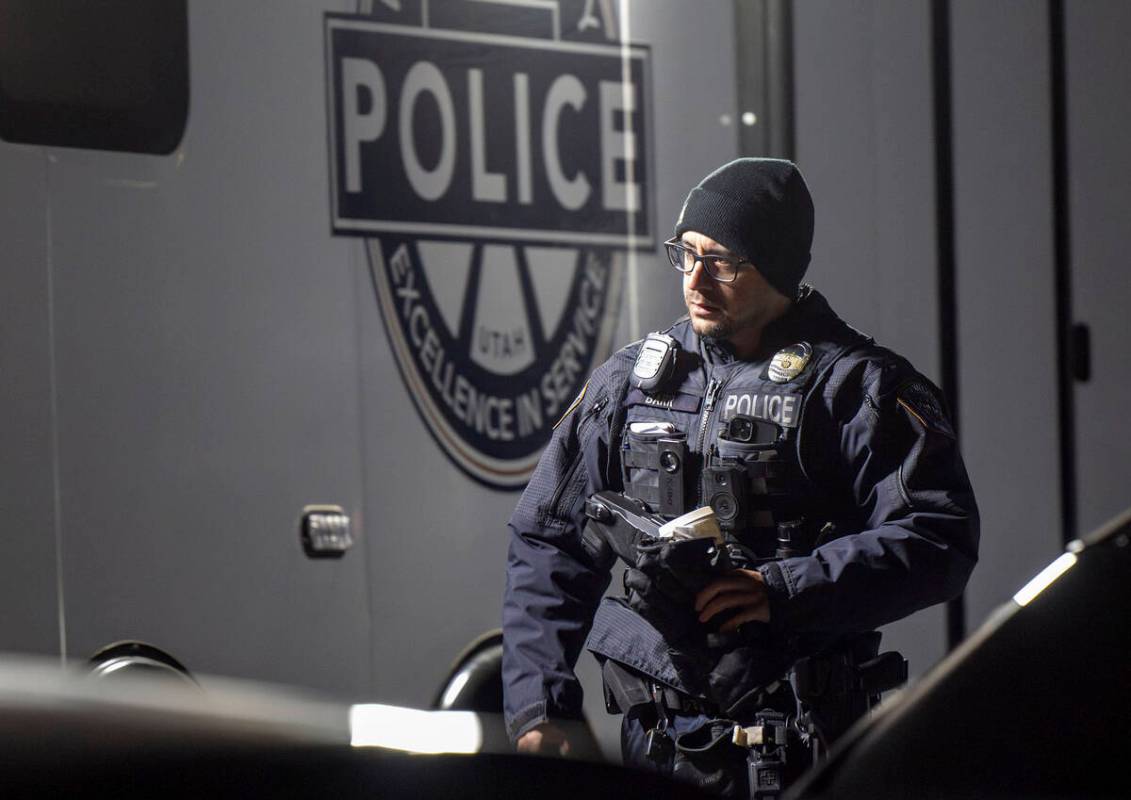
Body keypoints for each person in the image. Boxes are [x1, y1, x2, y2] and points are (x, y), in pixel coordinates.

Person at [501, 158, 979, 795]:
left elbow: (938, 538)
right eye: (686, 253)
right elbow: (549, 540)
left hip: (803, 746)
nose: (696, 280)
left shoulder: (858, 388)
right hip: (658, 747)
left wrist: (785, 588)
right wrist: (539, 701)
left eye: (721, 260)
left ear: (777, 268)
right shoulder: (632, 384)